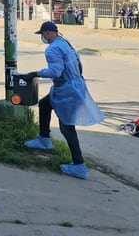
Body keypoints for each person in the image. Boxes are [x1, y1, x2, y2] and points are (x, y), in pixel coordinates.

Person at [21, 21, 105, 180]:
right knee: (45, 104)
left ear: (49, 32)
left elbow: (55, 71)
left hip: (67, 90)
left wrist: (34, 73)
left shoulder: (52, 49)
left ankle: (79, 165)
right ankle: (44, 139)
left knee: (67, 127)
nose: (43, 37)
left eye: (44, 34)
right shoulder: (66, 43)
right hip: (74, 84)